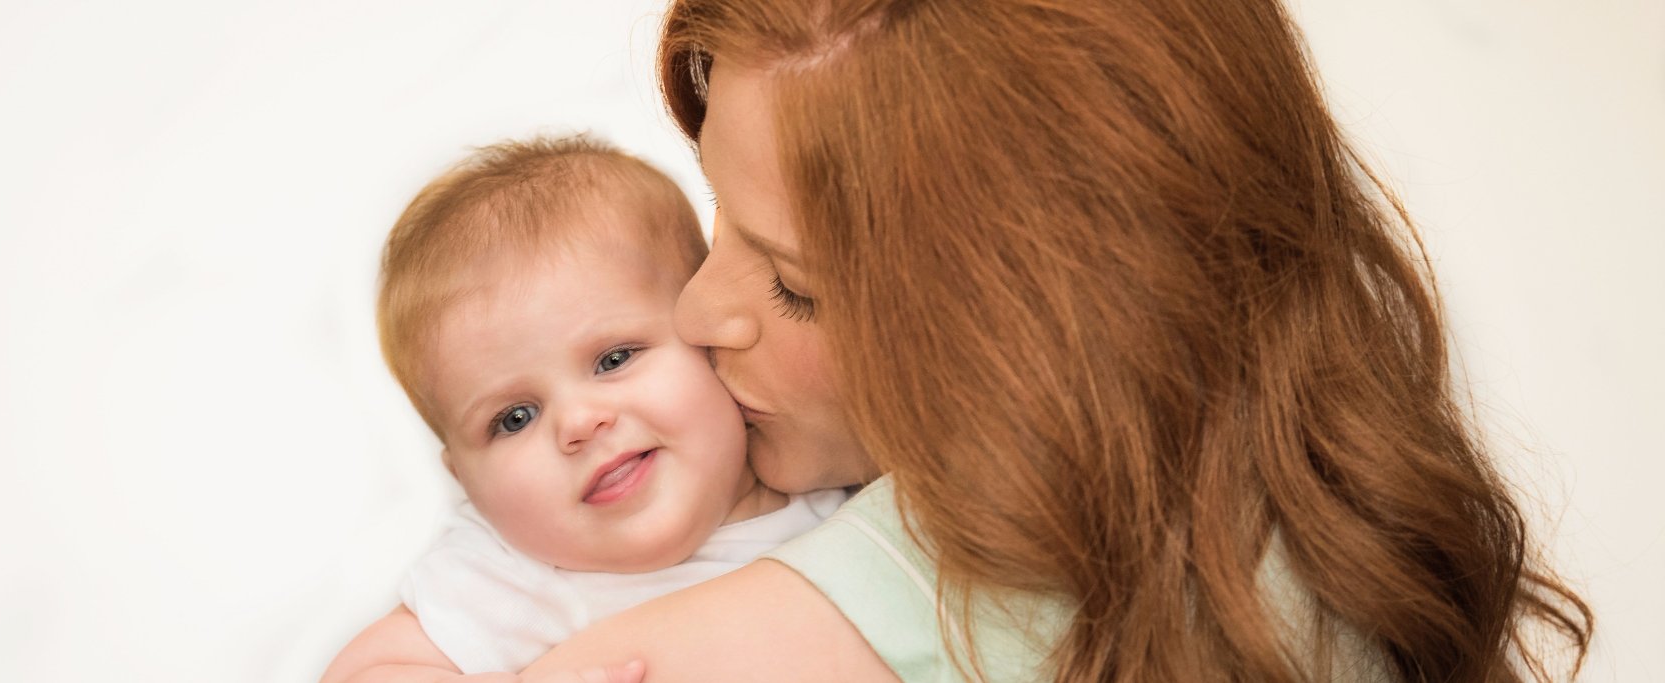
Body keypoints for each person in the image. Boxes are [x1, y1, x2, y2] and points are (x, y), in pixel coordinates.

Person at [521, 0, 1595, 681]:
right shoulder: (1307, 499)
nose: (702, 313)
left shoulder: (969, 570)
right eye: (718, 217)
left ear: (1045, 329)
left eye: (796, 287)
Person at [319, 134, 844, 683]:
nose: (578, 422)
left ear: (706, 337)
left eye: (613, 359)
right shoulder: (518, 576)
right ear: (467, 482)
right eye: (514, 418)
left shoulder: (826, 478)